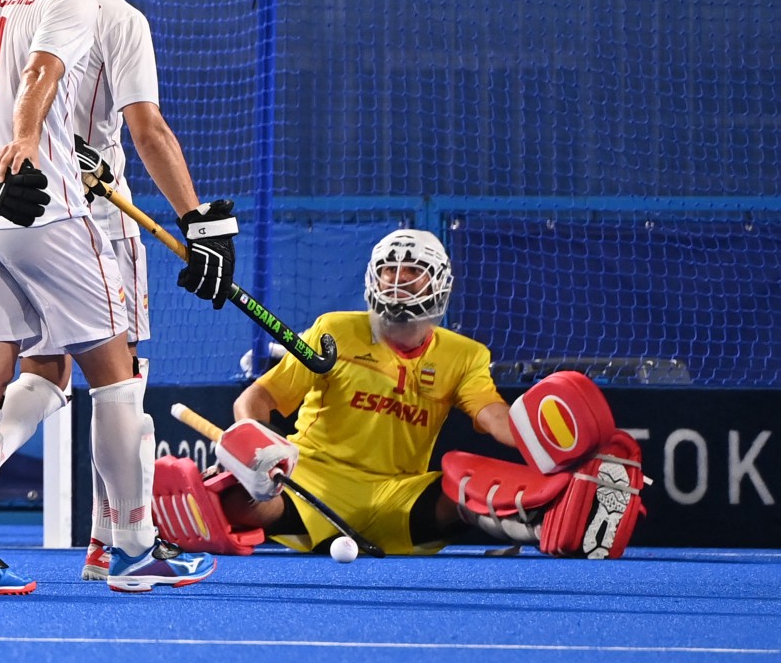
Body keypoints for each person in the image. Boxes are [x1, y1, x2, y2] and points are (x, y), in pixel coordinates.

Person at [0, 0, 229, 595]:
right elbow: (45, 75)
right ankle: (131, 546)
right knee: (115, 380)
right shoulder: (73, 0)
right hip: (48, 212)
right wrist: (28, 140)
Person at [155, 228, 645, 558]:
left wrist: (555, 447)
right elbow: (258, 399)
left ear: (438, 285)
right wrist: (254, 443)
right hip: (315, 480)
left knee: (465, 489)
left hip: (400, 495)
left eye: (411, 272)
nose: (397, 280)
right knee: (238, 502)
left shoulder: (464, 355)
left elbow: (493, 415)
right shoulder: (333, 331)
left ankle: (555, 527)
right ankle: (191, 520)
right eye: (389, 270)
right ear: (372, 279)